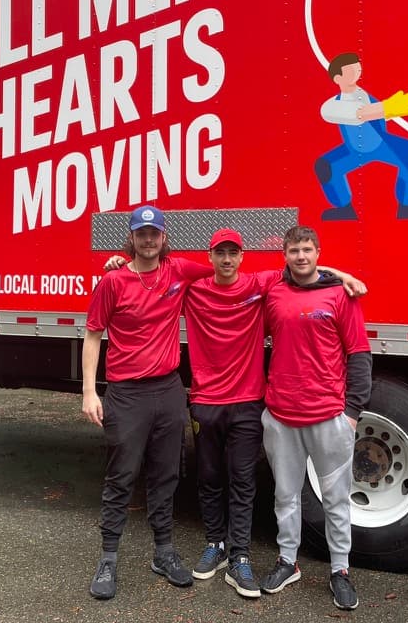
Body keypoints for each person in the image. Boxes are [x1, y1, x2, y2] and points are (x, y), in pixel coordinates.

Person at [103, 228, 367, 600]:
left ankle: (241, 554)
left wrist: (343, 275)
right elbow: (149, 271)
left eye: (233, 253)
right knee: (209, 477)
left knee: (243, 480)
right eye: (219, 254)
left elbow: (305, 269)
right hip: (207, 401)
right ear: (209, 257)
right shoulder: (192, 287)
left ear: (242, 257)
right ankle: (216, 545)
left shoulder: (260, 284)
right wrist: (117, 263)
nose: (226, 260)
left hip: (248, 401)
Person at [81, 205, 211, 601]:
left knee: (165, 475)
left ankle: (164, 553)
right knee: (121, 477)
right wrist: (89, 391)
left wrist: (331, 274)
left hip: (169, 390)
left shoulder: (178, 272)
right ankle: (108, 557)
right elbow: (92, 335)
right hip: (126, 394)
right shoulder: (113, 282)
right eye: (142, 234)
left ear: (164, 237)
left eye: (155, 233)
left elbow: (227, 270)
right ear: (132, 237)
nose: (149, 240)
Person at [258, 225, 372, 611]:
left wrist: (352, 413)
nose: (301, 257)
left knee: (336, 499)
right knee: (285, 497)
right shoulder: (273, 292)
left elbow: (359, 353)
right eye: (294, 251)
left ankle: (340, 570)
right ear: (285, 255)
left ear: (318, 253)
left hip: (328, 417)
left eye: (307, 250)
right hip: (281, 416)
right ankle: (287, 562)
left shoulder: (340, 294)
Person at [316, 52, 408, 220]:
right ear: (337, 78)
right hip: (353, 151)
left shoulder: (366, 96)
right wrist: (385, 108)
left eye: (358, 68)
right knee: (325, 166)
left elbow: (374, 111)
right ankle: (344, 209)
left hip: (383, 144)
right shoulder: (331, 105)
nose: (357, 72)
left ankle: (407, 206)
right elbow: (358, 113)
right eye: (350, 70)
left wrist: (388, 110)